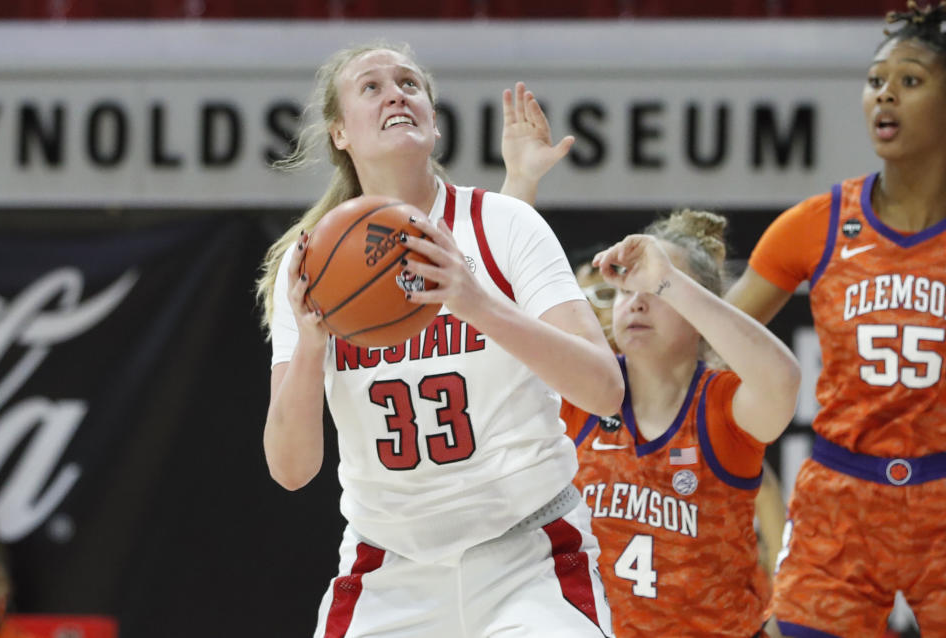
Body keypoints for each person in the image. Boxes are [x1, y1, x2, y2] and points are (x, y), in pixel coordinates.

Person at [256, 42, 624, 638]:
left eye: (409, 83)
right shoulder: (310, 266)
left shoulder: (505, 224)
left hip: (527, 555)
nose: (396, 93)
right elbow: (291, 470)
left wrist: (475, 301)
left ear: (431, 116)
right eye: (370, 87)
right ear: (339, 133)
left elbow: (606, 390)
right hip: (389, 567)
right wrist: (311, 347)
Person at [501, 82, 793, 638]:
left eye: (655, 290)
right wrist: (521, 182)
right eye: (626, 289)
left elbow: (782, 382)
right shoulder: (583, 389)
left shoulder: (723, 407)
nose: (635, 299)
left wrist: (670, 279)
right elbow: (493, 303)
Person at [722, 3, 946, 635]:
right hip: (841, 500)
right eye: (877, 80)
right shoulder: (817, 223)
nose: (886, 96)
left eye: (911, 80)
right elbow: (721, 343)